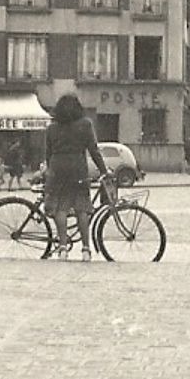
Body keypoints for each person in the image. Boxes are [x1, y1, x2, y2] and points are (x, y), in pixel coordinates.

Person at [43, 94, 111, 260]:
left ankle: (63, 248)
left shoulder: (52, 128)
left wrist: (50, 168)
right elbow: (94, 150)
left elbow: (48, 152)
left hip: (58, 167)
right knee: (82, 209)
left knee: (61, 208)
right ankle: (86, 250)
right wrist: (103, 170)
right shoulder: (85, 124)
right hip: (78, 168)